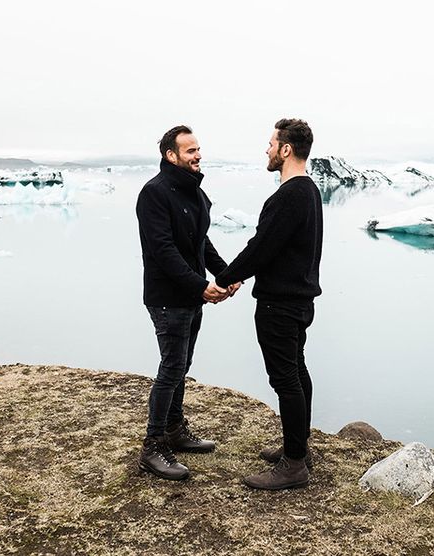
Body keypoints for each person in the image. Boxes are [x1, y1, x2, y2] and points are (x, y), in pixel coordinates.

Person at [213, 118, 323, 490]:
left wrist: (225, 277)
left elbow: (262, 247)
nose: (267, 150)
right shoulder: (309, 192)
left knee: (285, 379)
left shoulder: (289, 195)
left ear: (286, 149)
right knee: (296, 370)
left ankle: (294, 465)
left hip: (280, 303)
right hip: (301, 299)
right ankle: (298, 448)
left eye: (271, 144)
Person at [135, 125, 240, 481]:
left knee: (182, 363)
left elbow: (200, 244)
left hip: (190, 297)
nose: (197, 155)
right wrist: (200, 286)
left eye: (198, 149)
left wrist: (226, 274)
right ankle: (152, 447)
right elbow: (162, 250)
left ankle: (175, 430)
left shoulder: (195, 193)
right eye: (190, 150)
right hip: (168, 299)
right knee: (171, 366)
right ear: (171, 155)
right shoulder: (154, 194)